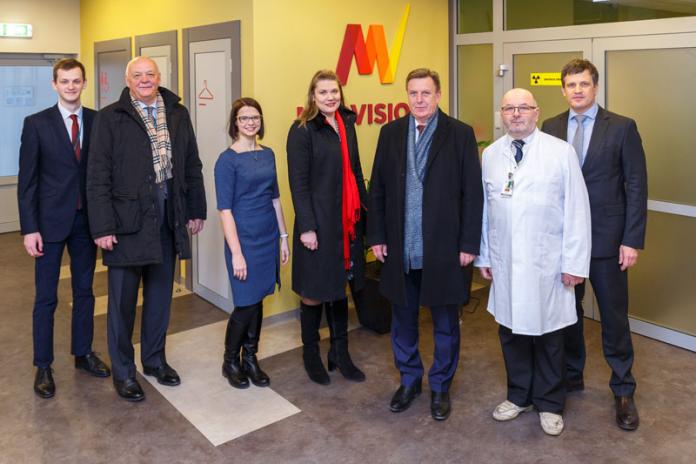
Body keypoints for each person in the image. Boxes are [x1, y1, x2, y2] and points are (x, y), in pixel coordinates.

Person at [87, 56, 207, 402]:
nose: (144, 80)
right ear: (127, 81)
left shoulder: (177, 112)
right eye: (137, 75)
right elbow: (97, 176)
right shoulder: (110, 117)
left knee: (159, 300)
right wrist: (102, 227)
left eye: (150, 74)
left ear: (159, 77)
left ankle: (154, 361)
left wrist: (195, 209)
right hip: (126, 225)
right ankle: (124, 372)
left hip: (168, 219)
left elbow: (192, 165)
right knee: (122, 305)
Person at [367, 68, 483, 421]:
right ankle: (409, 380)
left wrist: (468, 243)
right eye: (413, 93)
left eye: (426, 93)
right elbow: (378, 189)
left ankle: (441, 386)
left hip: (444, 248)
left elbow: (472, 193)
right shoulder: (391, 133)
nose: (419, 100)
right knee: (403, 319)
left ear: (438, 95)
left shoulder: (459, 134)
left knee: (445, 323)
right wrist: (377, 236)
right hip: (400, 247)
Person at [475, 88, 591, 436]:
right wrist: (485, 254)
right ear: (501, 114)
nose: (516, 114)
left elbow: (577, 210)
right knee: (511, 333)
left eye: (523, 107)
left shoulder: (560, 152)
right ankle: (518, 396)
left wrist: (573, 263)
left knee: (550, 335)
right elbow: (486, 211)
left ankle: (550, 403)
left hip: (548, 264)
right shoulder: (491, 155)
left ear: (536, 113)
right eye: (509, 108)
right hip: (507, 261)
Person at [541, 59, 647, 431]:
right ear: (563, 90)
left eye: (583, 84)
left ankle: (623, 389)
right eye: (571, 85)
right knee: (567, 315)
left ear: (595, 87)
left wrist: (631, 239)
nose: (577, 90)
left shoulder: (621, 127)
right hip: (564, 241)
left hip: (607, 240)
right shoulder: (550, 127)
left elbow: (636, 185)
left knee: (614, 319)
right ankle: (571, 377)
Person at [18, 58, 111, 399]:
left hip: (86, 223)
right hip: (49, 224)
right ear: (54, 84)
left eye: (76, 81)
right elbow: (27, 182)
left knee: (85, 292)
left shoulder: (98, 121)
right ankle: (43, 365)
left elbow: (104, 173)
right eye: (65, 81)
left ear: (84, 83)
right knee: (46, 297)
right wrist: (30, 229)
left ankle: (82, 353)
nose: (71, 86)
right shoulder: (36, 124)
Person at [287, 70, 368, 385]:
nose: (330, 97)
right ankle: (311, 355)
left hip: (345, 223)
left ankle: (340, 353)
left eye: (334, 91)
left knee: (339, 287)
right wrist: (307, 227)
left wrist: (367, 212)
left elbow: (355, 170)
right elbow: (298, 184)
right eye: (323, 92)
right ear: (312, 96)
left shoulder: (347, 123)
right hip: (317, 224)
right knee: (313, 292)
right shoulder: (302, 130)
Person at [214, 98, 290, 389]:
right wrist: (236, 253)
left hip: (267, 237)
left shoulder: (268, 154)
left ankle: (250, 358)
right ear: (235, 122)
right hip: (243, 240)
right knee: (245, 303)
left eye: (255, 117)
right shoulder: (227, 161)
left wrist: (283, 237)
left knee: (257, 300)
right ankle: (230, 361)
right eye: (244, 118)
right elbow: (225, 211)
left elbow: (275, 199)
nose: (250, 122)